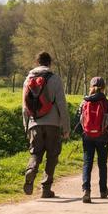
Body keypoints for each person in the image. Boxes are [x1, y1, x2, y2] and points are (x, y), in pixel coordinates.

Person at [22, 51, 70, 198]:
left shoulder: (27, 79)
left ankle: (31, 169)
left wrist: (27, 127)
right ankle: (46, 189)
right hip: (53, 124)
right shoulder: (55, 79)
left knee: (36, 153)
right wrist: (66, 128)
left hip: (34, 123)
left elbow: (24, 107)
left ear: (37, 63)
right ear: (50, 63)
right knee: (52, 155)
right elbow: (62, 105)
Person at [75, 77, 108, 203]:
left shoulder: (84, 102)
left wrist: (81, 134)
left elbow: (77, 120)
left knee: (87, 163)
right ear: (104, 88)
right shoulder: (107, 103)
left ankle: (86, 190)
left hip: (87, 136)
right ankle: (103, 190)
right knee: (102, 164)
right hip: (102, 136)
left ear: (90, 87)